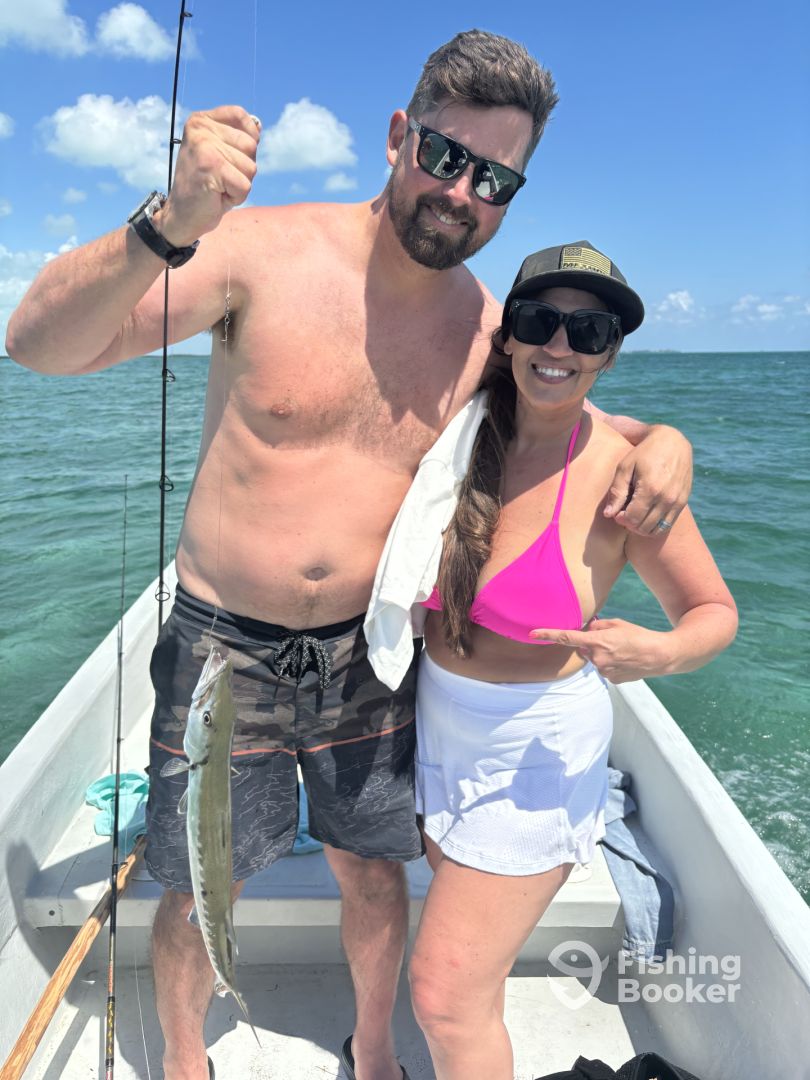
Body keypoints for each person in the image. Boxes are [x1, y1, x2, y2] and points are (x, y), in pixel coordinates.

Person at [6, 31, 694, 1080]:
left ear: (512, 195)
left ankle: (373, 1051)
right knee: (196, 881)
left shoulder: (485, 333)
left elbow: (572, 418)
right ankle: (185, 1061)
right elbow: (36, 346)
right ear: (397, 135)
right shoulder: (256, 253)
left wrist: (667, 440)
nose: (461, 192)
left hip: (370, 651)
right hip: (223, 650)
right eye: (445, 155)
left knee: (373, 871)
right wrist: (169, 222)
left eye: (495, 179)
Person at [406, 241, 738, 1080]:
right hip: (433, 729)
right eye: (539, 320)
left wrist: (659, 651)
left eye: (588, 331)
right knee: (470, 983)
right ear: (508, 334)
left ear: (610, 353)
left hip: (534, 755)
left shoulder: (626, 478)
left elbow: (713, 613)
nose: (559, 345)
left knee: (442, 995)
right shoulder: (457, 433)